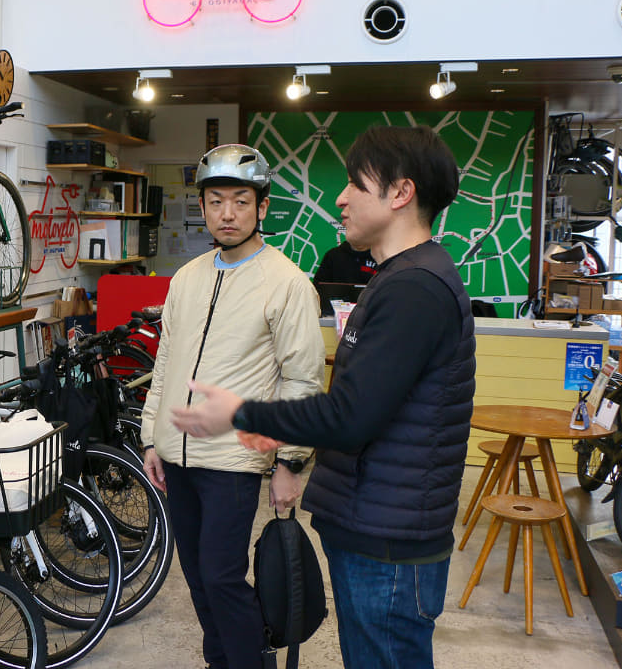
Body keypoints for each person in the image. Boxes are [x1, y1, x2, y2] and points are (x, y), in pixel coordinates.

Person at [172, 124, 476, 669]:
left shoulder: (414, 288)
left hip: (388, 538)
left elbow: (347, 416)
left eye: (356, 183)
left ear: (400, 193)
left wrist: (239, 414)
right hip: (373, 524)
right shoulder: (398, 278)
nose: (339, 198)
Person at [139, 143, 324, 669]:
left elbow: (302, 379)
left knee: (222, 577)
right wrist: (153, 437)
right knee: (198, 578)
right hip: (178, 458)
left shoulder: (287, 283)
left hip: (234, 461)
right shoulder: (187, 277)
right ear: (202, 206)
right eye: (216, 201)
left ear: (262, 207)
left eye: (240, 201)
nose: (227, 213)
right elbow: (167, 359)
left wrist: (290, 463)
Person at [312, 240, 377, 316]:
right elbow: (318, 289)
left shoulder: (379, 257)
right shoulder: (333, 255)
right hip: (334, 315)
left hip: (372, 314)